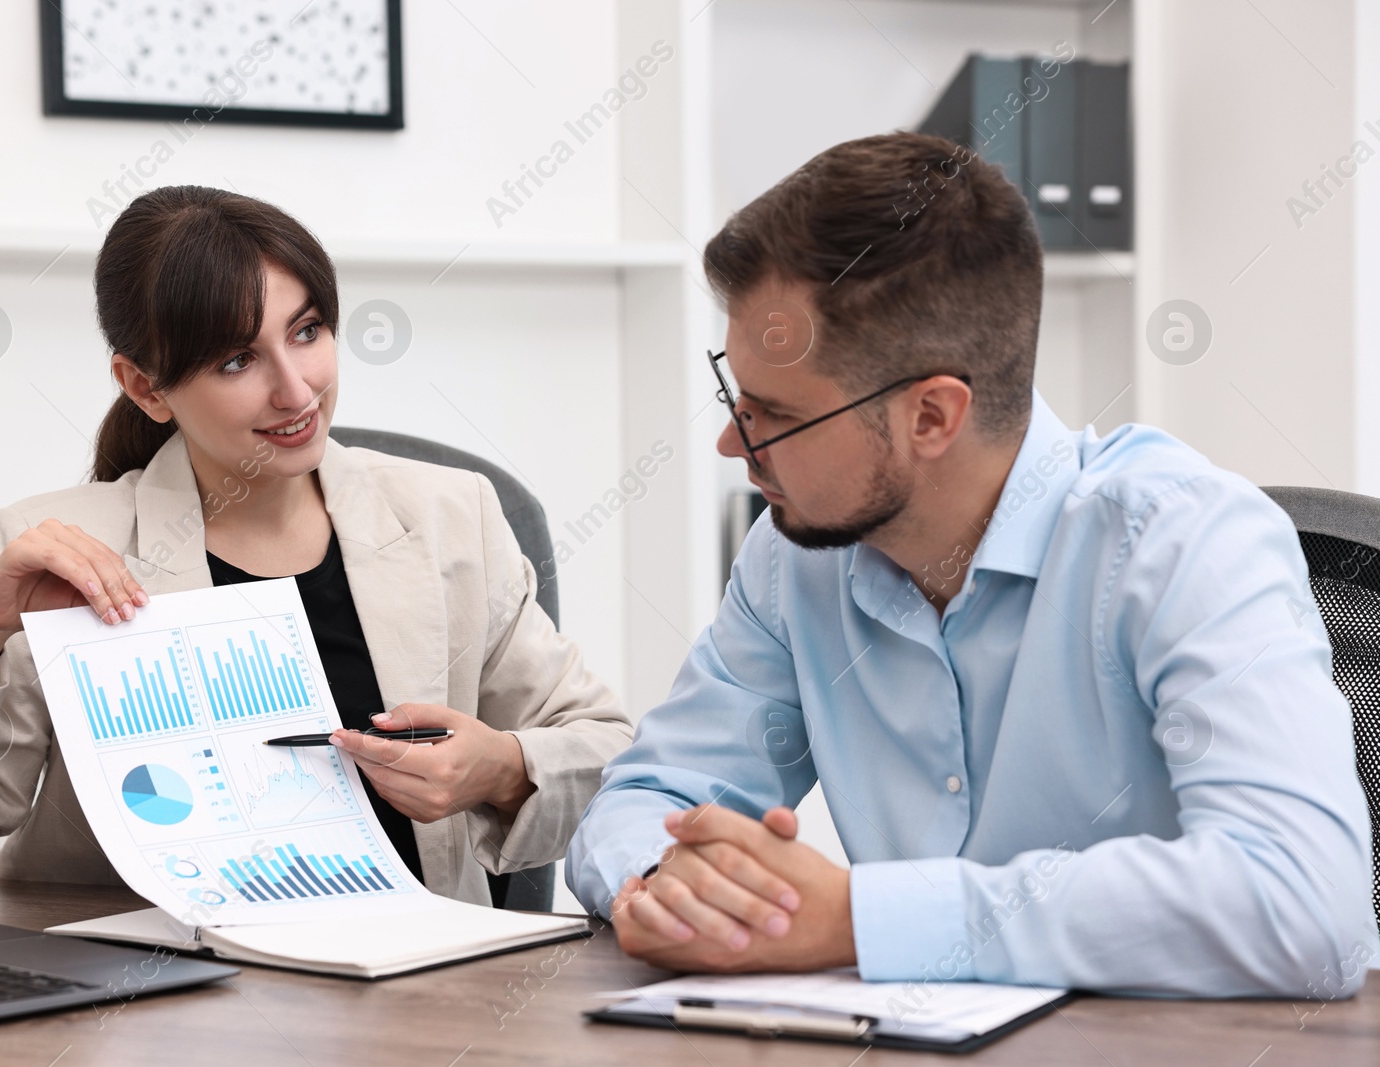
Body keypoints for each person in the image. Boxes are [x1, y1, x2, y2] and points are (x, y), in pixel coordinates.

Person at [566, 132, 1378, 997]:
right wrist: (664, 887)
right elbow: (657, 789)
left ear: (931, 417)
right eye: (737, 394)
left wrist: (857, 918)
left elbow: (1303, 905)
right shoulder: (793, 557)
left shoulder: (1184, 543)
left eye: (773, 414)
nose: (734, 443)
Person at [0, 186, 633, 908]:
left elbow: (611, 755)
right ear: (146, 386)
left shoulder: (452, 515)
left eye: (308, 331)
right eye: (239, 359)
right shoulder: (57, 550)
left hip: (413, 994)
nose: (297, 389)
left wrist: (501, 768)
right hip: (149, 1002)